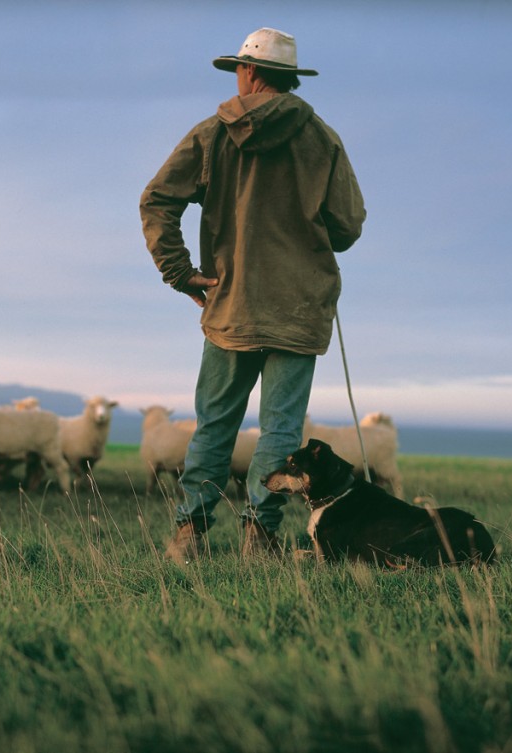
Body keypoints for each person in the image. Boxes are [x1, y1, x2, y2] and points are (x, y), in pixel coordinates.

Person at [139, 27, 366, 564]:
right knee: (282, 429)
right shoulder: (324, 139)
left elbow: (156, 201)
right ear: (289, 78)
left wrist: (181, 272)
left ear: (248, 72)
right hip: (300, 306)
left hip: (230, 303)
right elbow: (347, 228)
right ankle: (258, 539)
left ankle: (188, 537)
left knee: (215, 423)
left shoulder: (211, 134)